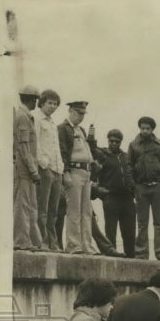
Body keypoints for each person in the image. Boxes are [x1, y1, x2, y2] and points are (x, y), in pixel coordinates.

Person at [128, 116, 160, 260]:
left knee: (159, 222)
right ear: (139, 128)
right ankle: (141, 252)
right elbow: (129, 166)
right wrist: (134, 186)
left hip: (158, 187)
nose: (145, 131)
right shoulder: (133, 145)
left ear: (152, 129)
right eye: (142, 128)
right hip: (141, 188)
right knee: (142, 223)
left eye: (148, 128)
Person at [57, 100, 97, 255]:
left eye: (83, 114)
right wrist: (65, 172)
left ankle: (87, 244)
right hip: (73, 171)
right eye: (79, 113)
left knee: (86, 210)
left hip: (85, 172)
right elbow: (63, 151)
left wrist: (92, 140)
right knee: (74, 210)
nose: (81, 117)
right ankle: (74, 245)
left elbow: (89, 151)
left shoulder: (81, 130)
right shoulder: (63, 128)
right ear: (71, 111)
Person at [90, 128, 135, 256]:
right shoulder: (102, 154)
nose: (114, 144)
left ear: (121, 142)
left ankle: (131, 257)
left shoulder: (126, 157)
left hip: (127, 198)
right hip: (110, 197)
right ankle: (111, 255)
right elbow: (91, 149)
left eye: (117, 141)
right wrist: (91, 136)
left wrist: (133, 190)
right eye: (111, 141)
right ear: (108, 140)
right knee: (111, 230)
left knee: (130, 231)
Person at [14, 84, 43, 251]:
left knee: (30, 206)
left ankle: (32, 240)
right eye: (35, 100)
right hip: (24, 170)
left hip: (28, 171)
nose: (36, 103)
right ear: (31, 99)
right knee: (23, 206)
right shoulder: (22, 117)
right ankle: (21, 241)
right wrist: (33, 170)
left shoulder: (25, 116)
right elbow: (23, 147)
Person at [35, 88, 63, 251]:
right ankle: (43, 241)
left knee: (54, 209)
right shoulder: (37, 119)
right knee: (43, 208)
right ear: (42, 103)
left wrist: (61, 167)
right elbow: (36, 143)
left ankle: (54, 242)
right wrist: (43, 163)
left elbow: (56, 147)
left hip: (57, 169)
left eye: (55, 104)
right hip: (45, 168)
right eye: (49, 103)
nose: (52, 106)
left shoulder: (52, 122)